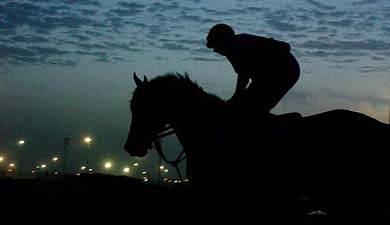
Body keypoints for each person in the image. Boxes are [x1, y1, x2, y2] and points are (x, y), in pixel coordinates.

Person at [206, 23, 300, 115]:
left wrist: (236, 97)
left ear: (224, 40)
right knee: (247, 104)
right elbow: (243, 76)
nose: (215, 50)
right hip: (268, 76)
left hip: (286, 71)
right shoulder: (231, 50)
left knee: (254, 107)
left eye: (215, 45)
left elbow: (243, 76)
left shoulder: (239, 46)